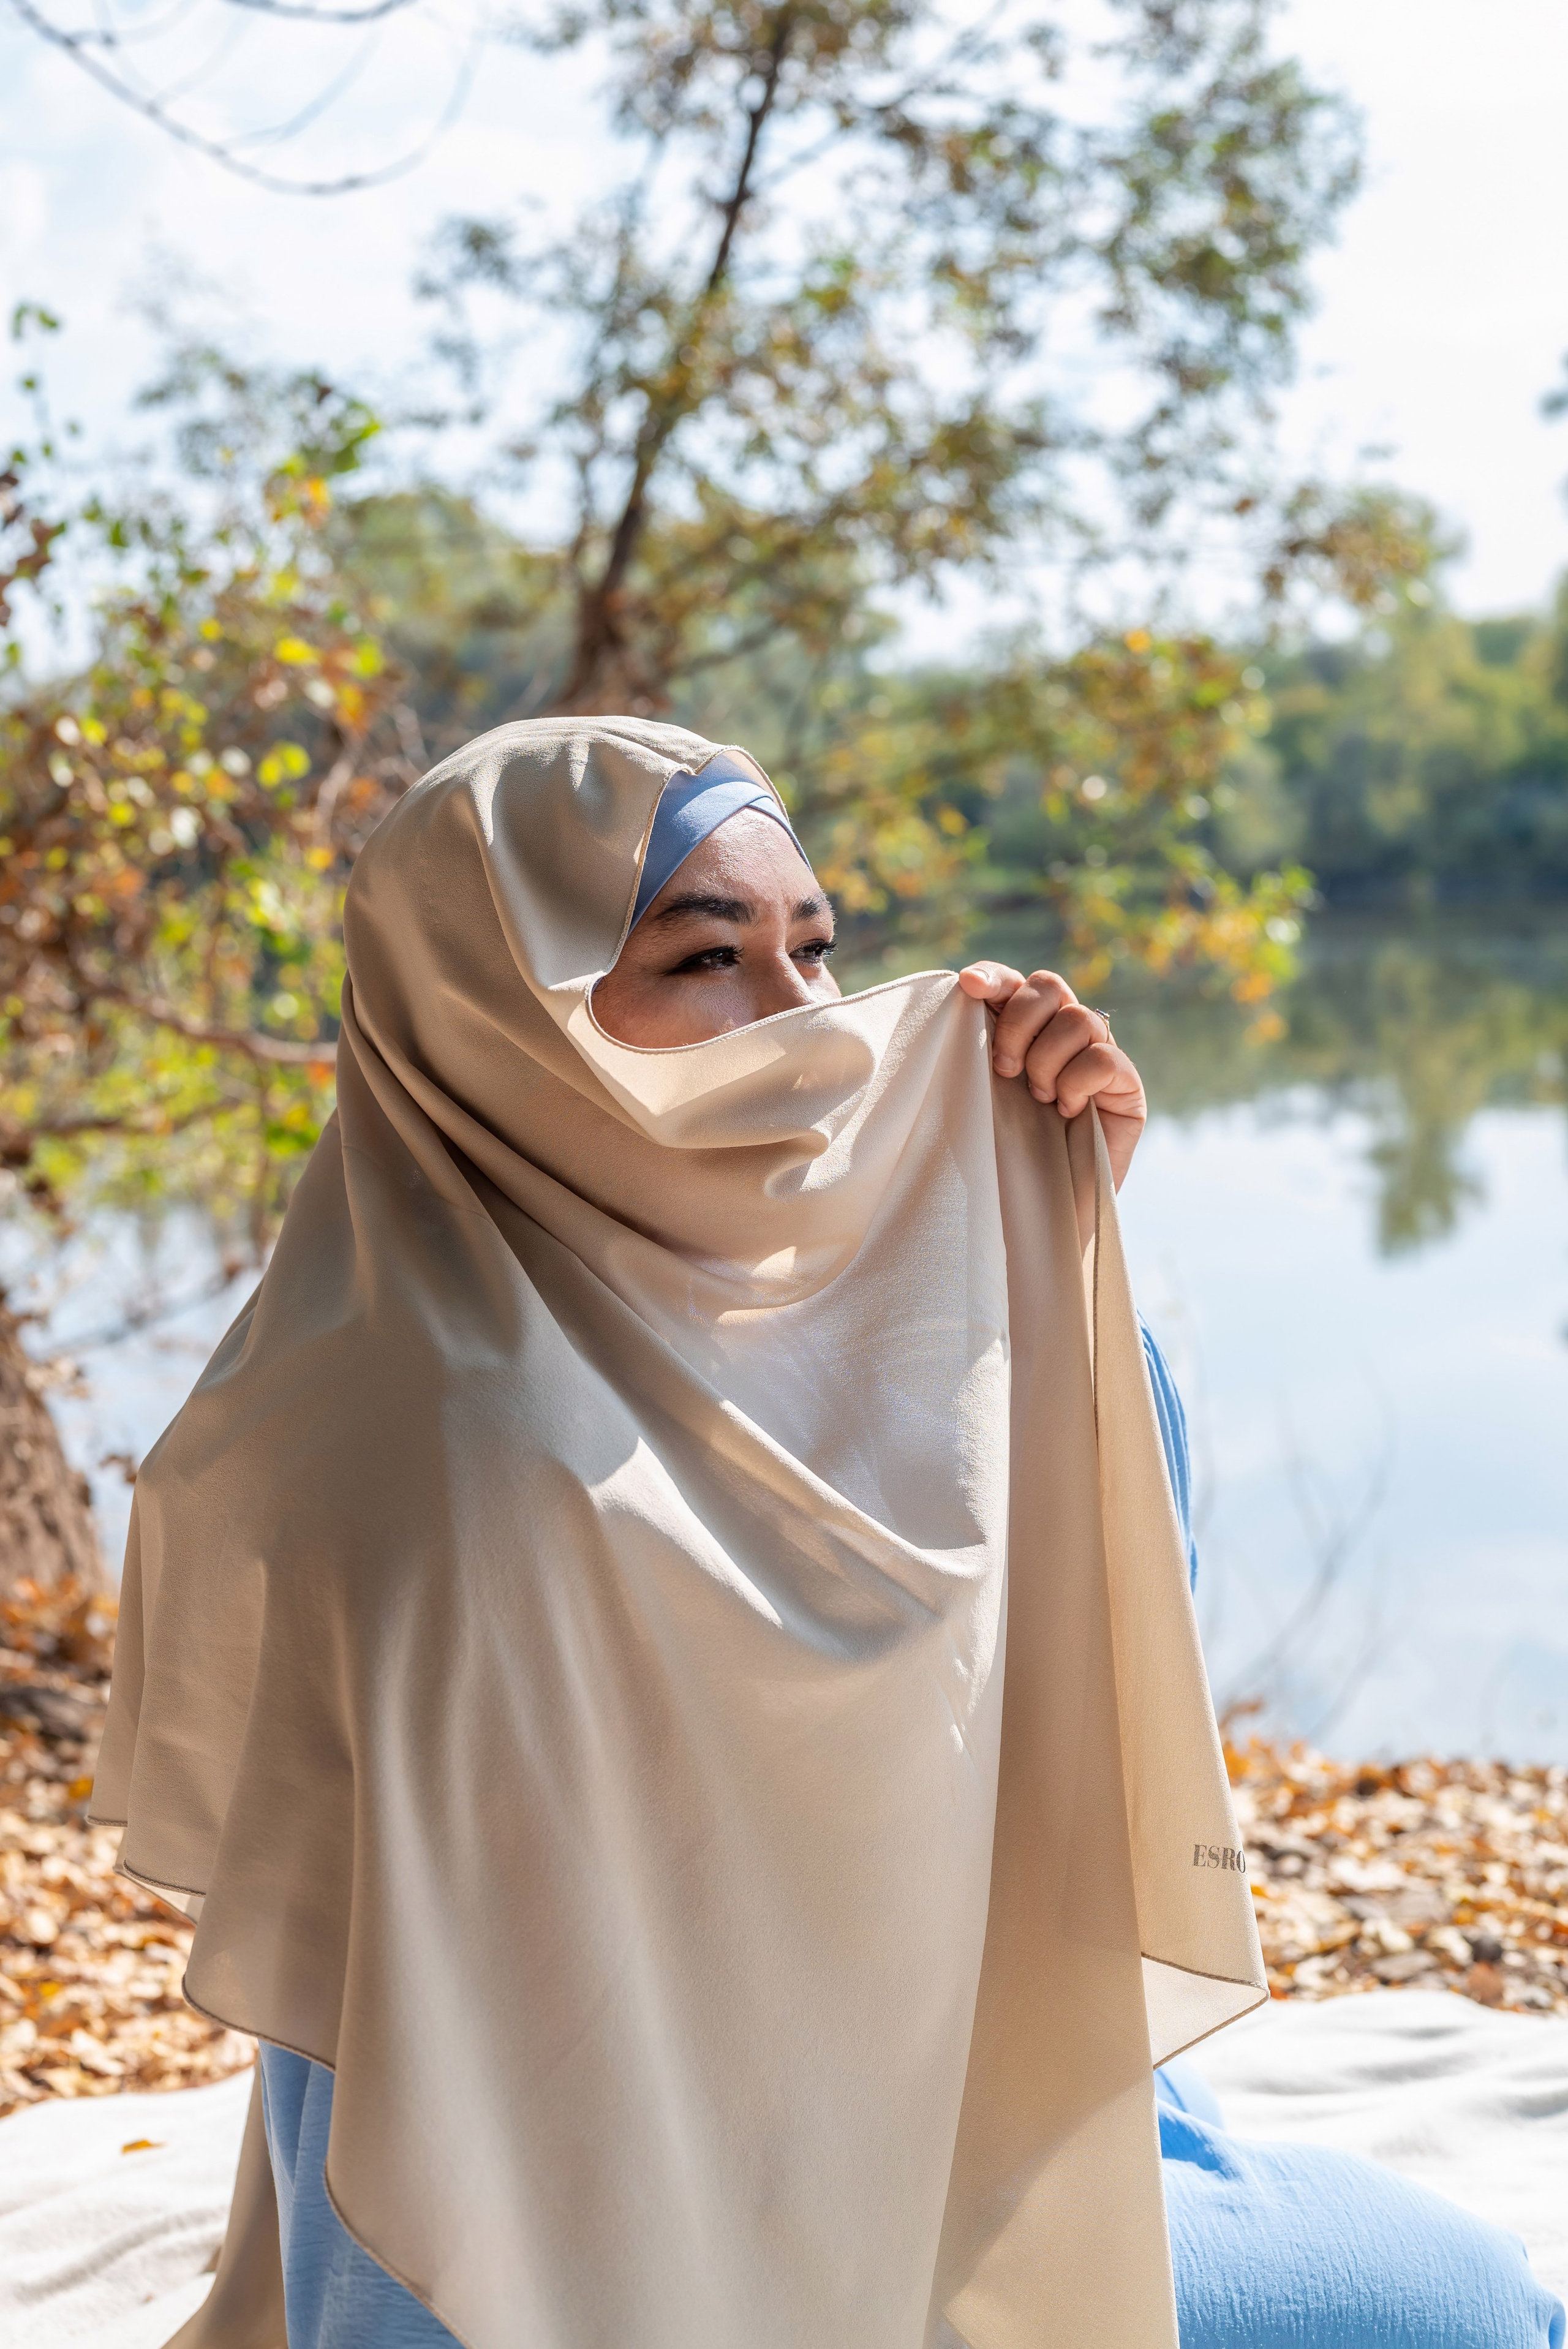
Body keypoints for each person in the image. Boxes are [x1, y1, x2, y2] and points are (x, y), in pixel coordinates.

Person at [91, 722, 1561, 2349]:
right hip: (688, 2273)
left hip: (893, 2130)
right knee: (1476, 2307)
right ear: (500, 1011)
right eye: (709, 956)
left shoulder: (635, 1335)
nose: (807, 1018)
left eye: (817, 947)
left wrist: (1056, 1250)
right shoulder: (458, 1460)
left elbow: (1048, 1792)